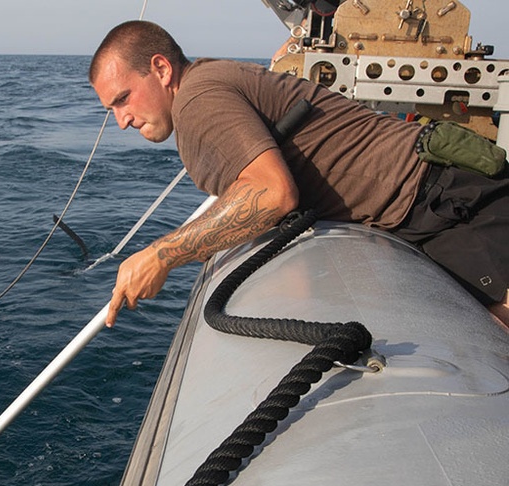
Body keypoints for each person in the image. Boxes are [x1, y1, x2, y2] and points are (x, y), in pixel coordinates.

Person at [89, 20, 509, 329]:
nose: (122, 120)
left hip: (444, 202)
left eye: (124, 99)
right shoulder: (208, 80)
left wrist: (161, 256)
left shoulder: (197, 98)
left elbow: (272, 194)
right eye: (112, 109)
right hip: (425, 202)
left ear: (161, 69)